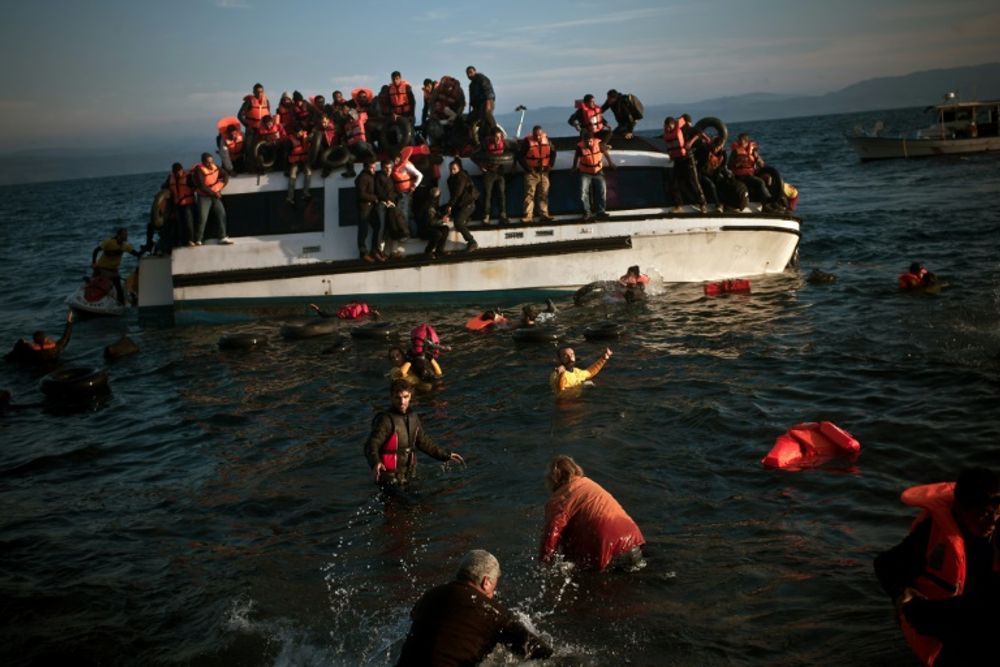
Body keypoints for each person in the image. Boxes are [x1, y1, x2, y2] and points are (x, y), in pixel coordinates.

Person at [874, 467, 999, 667]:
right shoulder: (932, 533)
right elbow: (886, 564)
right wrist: (901, 594)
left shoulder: (995, 528)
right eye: (983, 514)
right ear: (960, 508)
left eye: (997, 513)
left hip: (977, 612)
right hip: (938, 620)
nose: (992, 522)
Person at [397, 549, 553, 666]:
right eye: (494, 587)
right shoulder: (492, 612)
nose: (493, 594)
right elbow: (538, 652)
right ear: (486, 582)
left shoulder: (429, 596)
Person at [540, 455, 646, 571]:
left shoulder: (559, 499)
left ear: (553, 478)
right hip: (633, 543)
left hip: (609, 550)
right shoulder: (589, 484)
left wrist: (544, 565)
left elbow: (552, 534)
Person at [363, 379, 464, 492]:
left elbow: (424, 442)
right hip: (388, 479)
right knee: (405, 503)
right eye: (398, 397)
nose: (402, 402)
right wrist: (375, 462)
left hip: (408, 476)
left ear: (410, 396)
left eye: (405, 397)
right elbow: (371, 445)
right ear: (391, 397)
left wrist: (445, 455)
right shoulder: (385, 420)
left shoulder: (413, 418)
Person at [663, 116, 707, 213]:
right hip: (677, 160)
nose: (668, 129)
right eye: (666, 127)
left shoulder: (685, 129)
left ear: (674, 124)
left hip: (688, 159)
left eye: (669, 127)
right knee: (674, 182)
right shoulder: (668, 133)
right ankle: (678, 205)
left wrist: (690, 142)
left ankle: (702, 204)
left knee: (693, 181)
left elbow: (699, 133)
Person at [572, 128, 615, 221]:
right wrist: (574, 167)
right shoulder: (580, 147)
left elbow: (606, 153)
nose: (589, 143)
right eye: (587, 141)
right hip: (585, 172)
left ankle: (601, 212)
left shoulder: (599, 144)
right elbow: (576, 157)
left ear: (593, 140)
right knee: (583, 192)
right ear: (583, 141)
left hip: (598, 171)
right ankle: (587, 212)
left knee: (602, 191)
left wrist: (611, 163)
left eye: (590, 141)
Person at [5, 310, 73, 367]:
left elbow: (13, 354)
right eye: (46, 338)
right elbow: (66, 337)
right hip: (53, 368)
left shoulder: (28, 350)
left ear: (34, 341)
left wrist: (22, 342)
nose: (48, 338)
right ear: (45, 340)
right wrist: (69, 321)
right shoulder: (55, 349)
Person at [518, 125, 556, 223]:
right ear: (533, 134)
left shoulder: (547, 140)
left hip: (544, 172)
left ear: (542, 134)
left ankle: (544, 214)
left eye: (539, 135)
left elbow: (553, 152)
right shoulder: (527, 142)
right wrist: (528, 168)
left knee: (544, 194)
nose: (538, 137)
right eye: (536, 135)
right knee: (529, 194)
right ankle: (528, 216)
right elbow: (520, 156)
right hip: (532, 173)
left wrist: (551, 164)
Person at [92, 227, 141, 304]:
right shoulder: (108, 242)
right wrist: (94, 262)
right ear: (118, 235)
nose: (126, 236)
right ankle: (91, 301)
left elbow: (135, 253)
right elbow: (96, 250)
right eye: (124, 235)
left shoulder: (125, 246)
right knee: (95, 285)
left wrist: (142, 255)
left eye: (127, 235)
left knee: (119, 289)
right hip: (101, 269)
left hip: (113, 271)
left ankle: (121, 305)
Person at [192, 153, 232, 245]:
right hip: (204, 196)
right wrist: (214, 194)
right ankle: (199, 239)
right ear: (203, 162)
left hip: (214, 195)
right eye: (207, 163)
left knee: (221, 214)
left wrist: (221, 186)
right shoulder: (199, 170)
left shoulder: (216, 167)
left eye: (211, 161)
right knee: (202, 217)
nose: (210, 164)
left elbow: (225, 175)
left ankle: (222, 237)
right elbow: (202, 186)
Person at [155, 162, 194, 252]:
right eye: (175, 172)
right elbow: (164, 186)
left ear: (181, 170)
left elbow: (195, 186)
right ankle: (182, 241)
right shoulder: (170, 178)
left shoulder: (188, 177)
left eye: (178, 172)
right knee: (180, 224)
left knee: (189, 223)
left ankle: (190, 240)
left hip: (188, 203)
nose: (177, 174)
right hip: (177, 204)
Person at [442, 159, 479, 252]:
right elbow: (453, 195)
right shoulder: (450, 179)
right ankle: (465, 220)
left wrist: (450, 205)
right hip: (460, 205)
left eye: (454, 169)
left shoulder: (461, 177)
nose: (452, 171)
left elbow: (457, 193)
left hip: (468, 204)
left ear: (459, 168)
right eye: (451, 169)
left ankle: (472, 242)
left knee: (458, 222)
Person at [475, 127, 508, 224]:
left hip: (500, 172)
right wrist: (481, 166)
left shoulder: (505, 143)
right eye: (496, 137)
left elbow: (515, 151)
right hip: (488, 172)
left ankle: (503, 215)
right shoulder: (485, 144)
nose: (498, 139)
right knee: (487, 195)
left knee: (501, 194)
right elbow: (474, 155)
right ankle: (486, 216)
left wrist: (513, 166)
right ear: (491, 137)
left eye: (499, 137)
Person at [354, 159, 385, 262]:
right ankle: (363, 253)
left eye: (375, 167)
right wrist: (375, 198)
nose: (374, 169)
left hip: (371, 207)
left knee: (377, 226)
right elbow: (361, 194)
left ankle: (374, 250)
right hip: (364, 207)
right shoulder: (363, 178)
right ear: (366, 167)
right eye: (372, 167)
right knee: (363, 230)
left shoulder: (371, 176)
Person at [728, 133, 770, 204]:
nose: (739, 143)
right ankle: (767, 203)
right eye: (739, 141)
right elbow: (729, 165)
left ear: (746, 142)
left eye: (741, 141)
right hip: (741, 176)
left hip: (752, 173)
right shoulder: (735, 152)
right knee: (760, 182)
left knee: (768, 178)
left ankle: (770, 199)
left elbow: (762, 164)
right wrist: (737, 163)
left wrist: (757, 158)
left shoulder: (753, 151)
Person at [379, 158, 408, 258]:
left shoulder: (391, 178)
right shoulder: (379, 177)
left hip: (391, 205)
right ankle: (380, 251)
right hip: (383, 205)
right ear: (382, 168)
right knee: (382, 228)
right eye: (386, 168)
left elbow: (393, 192)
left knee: (392, 226)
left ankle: (392, 251)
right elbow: (378, 191)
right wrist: (387, 200)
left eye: (390, 168)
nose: (388, 170)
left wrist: (395, 198)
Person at [391, 152, 424, 237]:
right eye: (393, 159)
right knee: (408, 214)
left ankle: (407, 233)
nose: (395, 161)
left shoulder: (406, 165)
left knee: (403, 213)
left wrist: (414, 186)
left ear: (400, 158)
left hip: (406, 193)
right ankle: (413, 233)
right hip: (401, 193)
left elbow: (420, 175)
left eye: (396, 159)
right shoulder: (394, 167)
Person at [237, 83, 270, 165]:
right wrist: (247, 125)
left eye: (261, 92)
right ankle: (250, 167)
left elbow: (268, 115)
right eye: (257, 92)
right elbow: (240, 115)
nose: (259, 93)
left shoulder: (266, 101)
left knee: (263, 147)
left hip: (262, 129)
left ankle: (263, 165)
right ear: (254, 92)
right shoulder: (248, 102)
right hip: (251, 129)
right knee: (249, 148)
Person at [418, 186, 450, 259]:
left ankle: (439, 250)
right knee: (437, 234)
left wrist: (443, 215)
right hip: (424, 229)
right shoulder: (429, 205)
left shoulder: (432, 203)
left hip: (430, 226)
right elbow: (430, 222)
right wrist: (443, 220)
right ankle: (428, 252)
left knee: (445, 229)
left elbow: (436, 214)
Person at [285, 128, 312, 205]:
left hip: (305, 161)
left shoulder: (307, 138)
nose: (298, 134)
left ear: (302, 131)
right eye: (296, 132)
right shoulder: (290, 141)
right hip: (295, 162)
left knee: (308, 171)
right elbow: (286, 154)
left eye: (299, 132)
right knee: (292, 174)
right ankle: (290, 197)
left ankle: (306, 193)